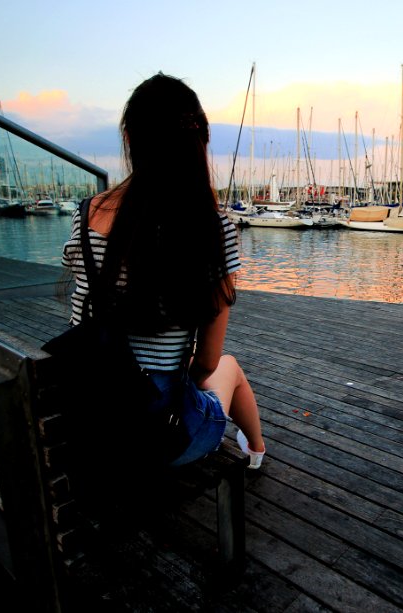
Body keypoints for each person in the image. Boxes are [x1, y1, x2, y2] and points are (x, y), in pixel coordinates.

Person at [60, 74, 266, 469]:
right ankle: (256, 451)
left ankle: (255, 449)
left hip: (85, 417)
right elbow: (205, 363)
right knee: (227, 367)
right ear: (197, 142)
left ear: (130, 139)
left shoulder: (85, 214)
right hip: (158, 436)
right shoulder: (211, 229)